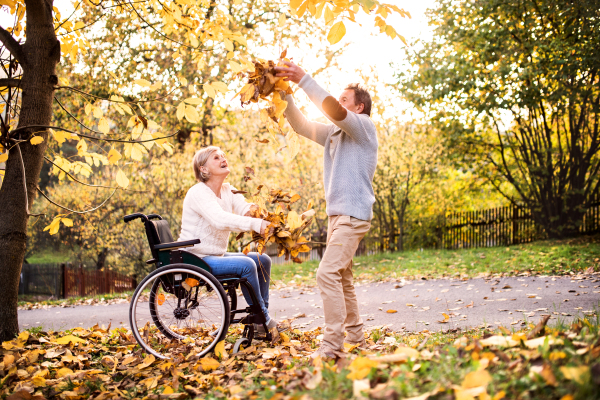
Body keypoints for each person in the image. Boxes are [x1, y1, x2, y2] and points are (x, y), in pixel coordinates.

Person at [275, 61, 378, 359]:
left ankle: (332, 347)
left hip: (353, 216)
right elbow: (301, 125)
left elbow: (332, 109)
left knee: (326, 274)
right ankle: (356, 336)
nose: (337, 102)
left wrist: (303, 79)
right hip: (338, 216)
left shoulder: (363, 127)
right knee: (342, 277)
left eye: (344, 99)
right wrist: (285, 93)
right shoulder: (335, 135)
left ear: (358, 108)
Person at [178, 145, 281, 332]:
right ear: (204, 169)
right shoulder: (198, 192)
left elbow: (244, 209)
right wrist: (256, 225)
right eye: (216, 158)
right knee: (246, 265)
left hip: (215, 255)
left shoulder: (227, 189)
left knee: (262, 260)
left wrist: (262, 215)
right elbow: (219, 219)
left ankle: (260, 317)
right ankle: (263, 319)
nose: (223, 159)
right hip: (196, 258)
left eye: (223, 156)